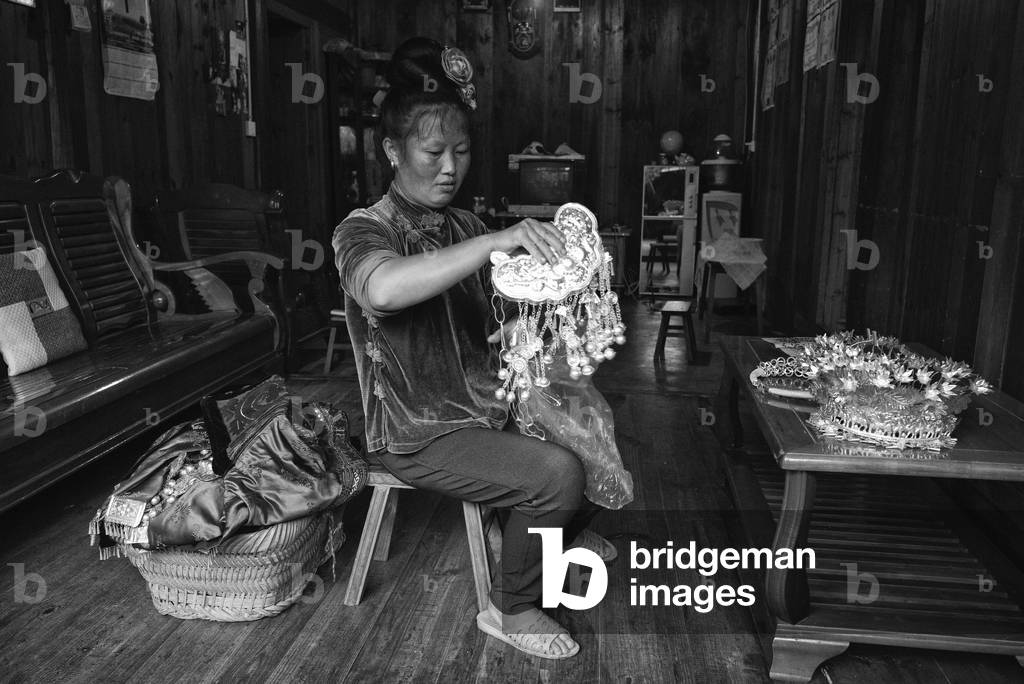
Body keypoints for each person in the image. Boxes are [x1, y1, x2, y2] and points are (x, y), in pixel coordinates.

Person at [332, 37, 615, 660]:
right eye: (432, 152)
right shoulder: (363, 229)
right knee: (556, 475)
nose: (449, 168)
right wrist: (496, 243)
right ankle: (512, 610)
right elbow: (383, 290)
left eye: (460, 152)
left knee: (588, 429)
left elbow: (500, 307)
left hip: (481, 407)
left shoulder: (461, 225)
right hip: (416, 431)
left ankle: (542, 536)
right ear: (391, 152)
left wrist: (529, 316)